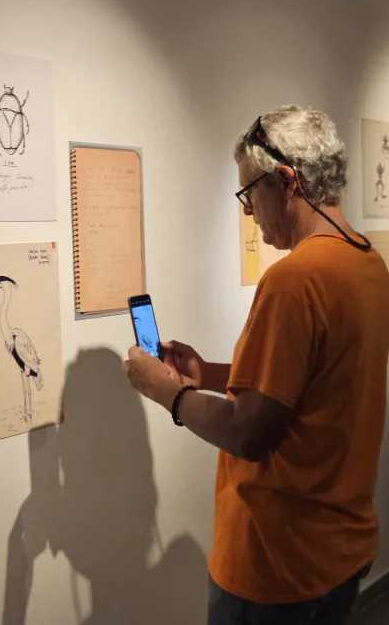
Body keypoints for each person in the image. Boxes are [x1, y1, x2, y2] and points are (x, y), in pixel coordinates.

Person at [124, 105, 389, 625]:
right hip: (341, 551)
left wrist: (167, 392)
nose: (248, 212)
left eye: (249, 193)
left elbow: (249, 433)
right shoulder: (368, 263)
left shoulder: (294, 280)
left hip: (275, 567)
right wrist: (209, 375)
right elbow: (309, 385)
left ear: (286, 182)